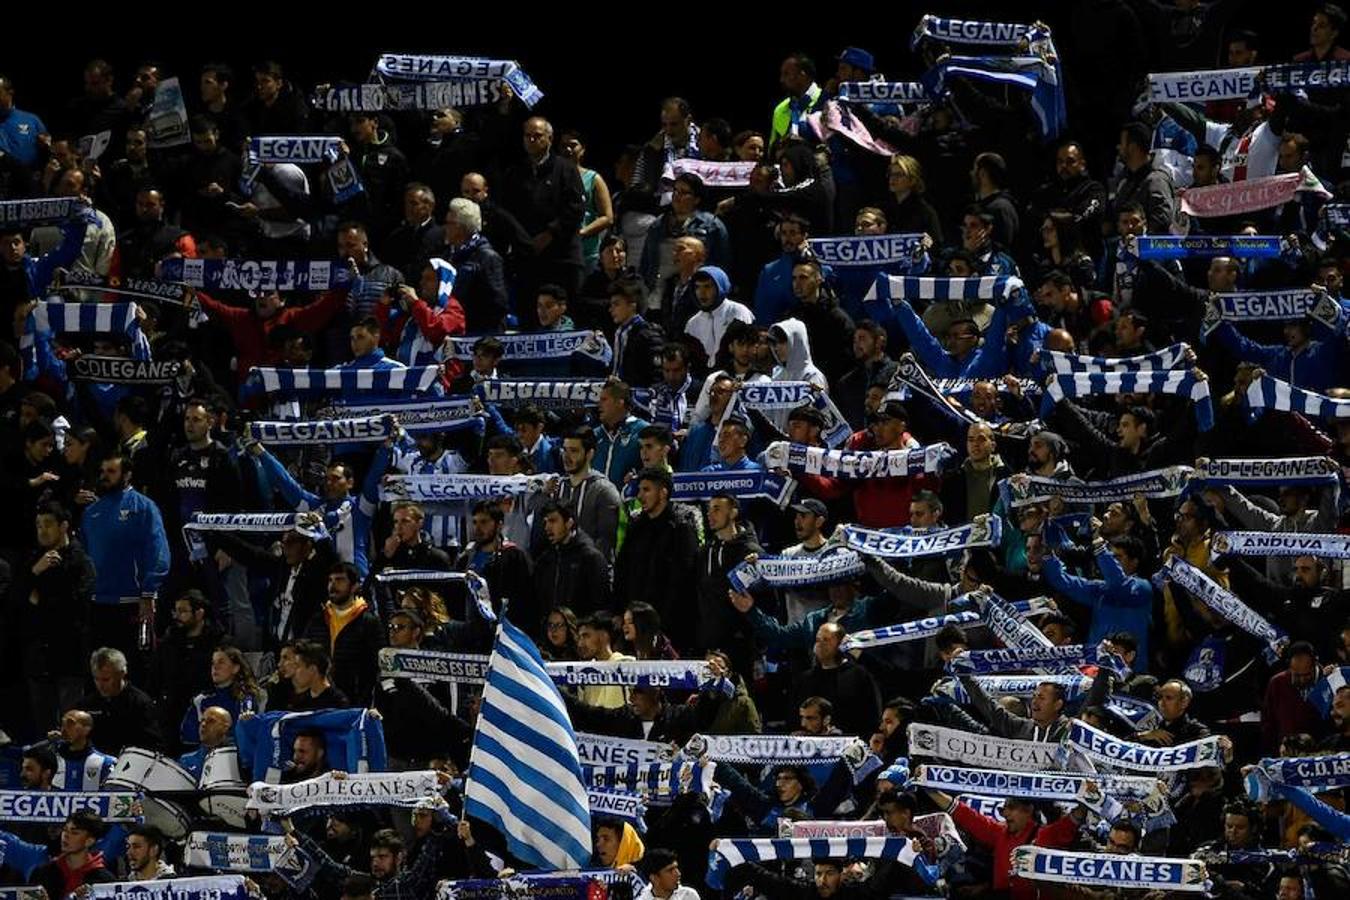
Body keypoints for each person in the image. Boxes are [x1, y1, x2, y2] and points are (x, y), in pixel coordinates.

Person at [613, 468, 701, 648]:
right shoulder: (636, 527)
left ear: (663, 493)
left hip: (669, 629)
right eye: (639, 490)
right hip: (634, 625)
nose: (639, 496)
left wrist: (663, 623)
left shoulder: (681, 529)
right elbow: (622, 572)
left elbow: (683, 582)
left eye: (646, 490)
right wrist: (618, 611)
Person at [302, 562, 383, 707]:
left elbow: (374, 669)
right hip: (318, 700)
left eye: (339, 580)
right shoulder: (317, 620)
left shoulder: (369, 623)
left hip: (353, 703)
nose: (333, 585)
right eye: (330, 580)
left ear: (355, 586)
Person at [73, 647, 162, 756]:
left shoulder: (140, 704)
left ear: (121, 674)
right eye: (96, 679)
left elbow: (153, 746)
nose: (100, 685)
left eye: (106, 680)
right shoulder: (86, 705)